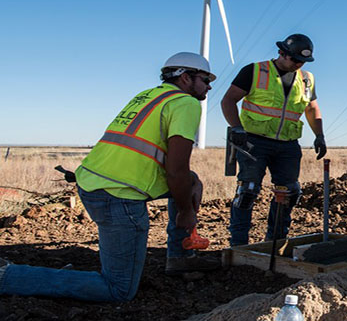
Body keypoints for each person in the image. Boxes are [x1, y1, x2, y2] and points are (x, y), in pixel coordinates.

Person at [0, 52, 220, 301]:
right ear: (185, 78)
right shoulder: (185, 103)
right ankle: (9, 276)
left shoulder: (148, 95)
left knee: (192, 182)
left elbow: (179, 174)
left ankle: (180, 258)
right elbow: (176, 170)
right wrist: (186, 212)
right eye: (205, 78)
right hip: (117, 195)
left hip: (94, 181)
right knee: (118, 290)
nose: (209, 85)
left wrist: (184, 198)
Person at [221, 33, 326, 247]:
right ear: (281, 53)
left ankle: (276, 242)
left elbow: (312, 108)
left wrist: (320, 135)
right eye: (295, 59)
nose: (298, 64)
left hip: (288, 145)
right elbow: (229, 100)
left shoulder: (307, 79)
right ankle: (239, 245)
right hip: (253, 142)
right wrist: (237, 128)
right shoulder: (255, 71)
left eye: (302, 61)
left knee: (289, 192)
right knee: (247, 191)